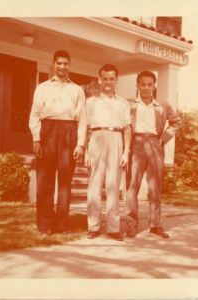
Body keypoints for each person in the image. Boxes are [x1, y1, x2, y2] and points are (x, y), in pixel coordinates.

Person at [29, 50, 86, 237]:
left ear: (70, 65)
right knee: (44, 180)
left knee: (64, 181)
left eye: (66, 63)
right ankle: (44, 225)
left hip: (69, 132)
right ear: (53, 64)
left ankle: (62, 224)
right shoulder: (43, 87)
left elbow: (83, 119)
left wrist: (80, 144)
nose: (62, 67)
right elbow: (35, 116)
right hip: (48, 131)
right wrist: (37, 139)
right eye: (59, 63)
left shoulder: (77, 90)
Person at [126, 70, 181, 239]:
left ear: (154, 86)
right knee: (132, 187)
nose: (146, 88)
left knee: (155, 187)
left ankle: (155, 225)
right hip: (136, 144)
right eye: (143, 84)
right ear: (137, 85)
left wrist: (162, 139)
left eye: (150, 84)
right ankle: (131, 225)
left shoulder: (162, 105)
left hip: (155, 144)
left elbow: (176, 122)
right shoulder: (130, 104)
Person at [85, 64, 131, 241]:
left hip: (116, 139)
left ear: (116, 80)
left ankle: (113, 228)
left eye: (111, 78)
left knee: (113, 186)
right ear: (99, 79)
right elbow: (85, 127)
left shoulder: (123, 103)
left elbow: (127, 128)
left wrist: (126, 151)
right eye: (105, 78)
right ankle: (93, 226)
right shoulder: (91, 102)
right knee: (94, 185)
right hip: (96, 137)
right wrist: (86, 151)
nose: (108, 82)